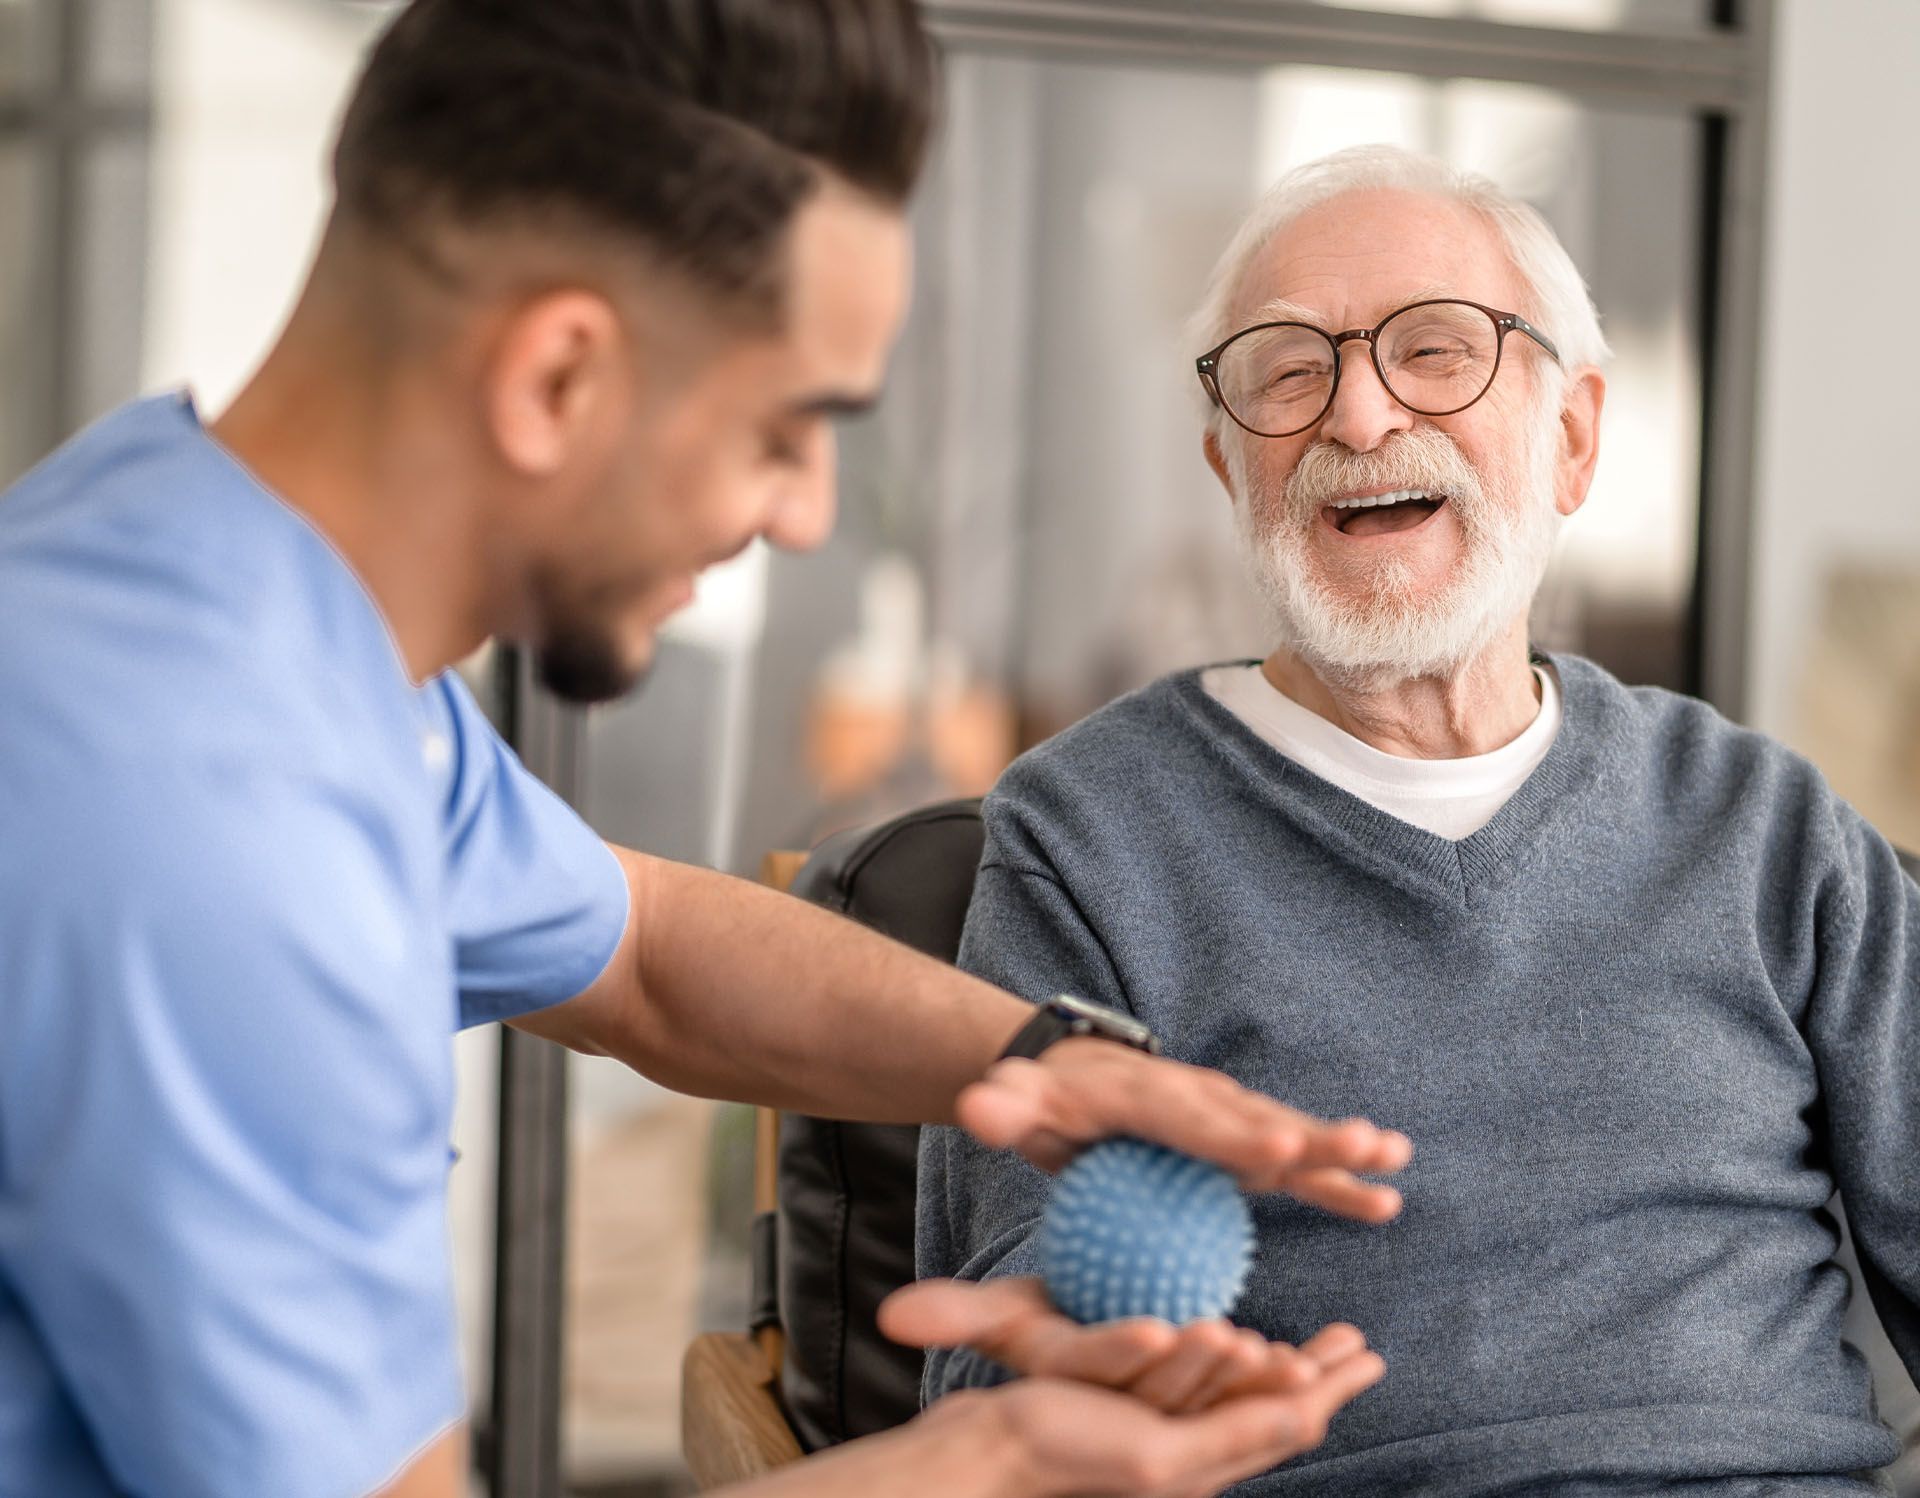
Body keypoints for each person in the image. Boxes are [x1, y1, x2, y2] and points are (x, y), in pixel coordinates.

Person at [0, 7, 1426, 1497]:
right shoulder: (211, 840)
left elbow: (649, 954)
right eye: (785, 425)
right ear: (558, 377)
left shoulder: (207, 593)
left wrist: (1041, 1066)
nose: (807, 513)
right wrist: (996, 1461)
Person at [916, 143, 1920, 1494]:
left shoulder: (1766, 827)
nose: (1361, 415)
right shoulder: (1091, 834)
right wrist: (1114, 1362)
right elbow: (1004, 1349)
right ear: (1230, 468)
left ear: (1572, 436)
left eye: (1437, 351)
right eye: (1289, 370)